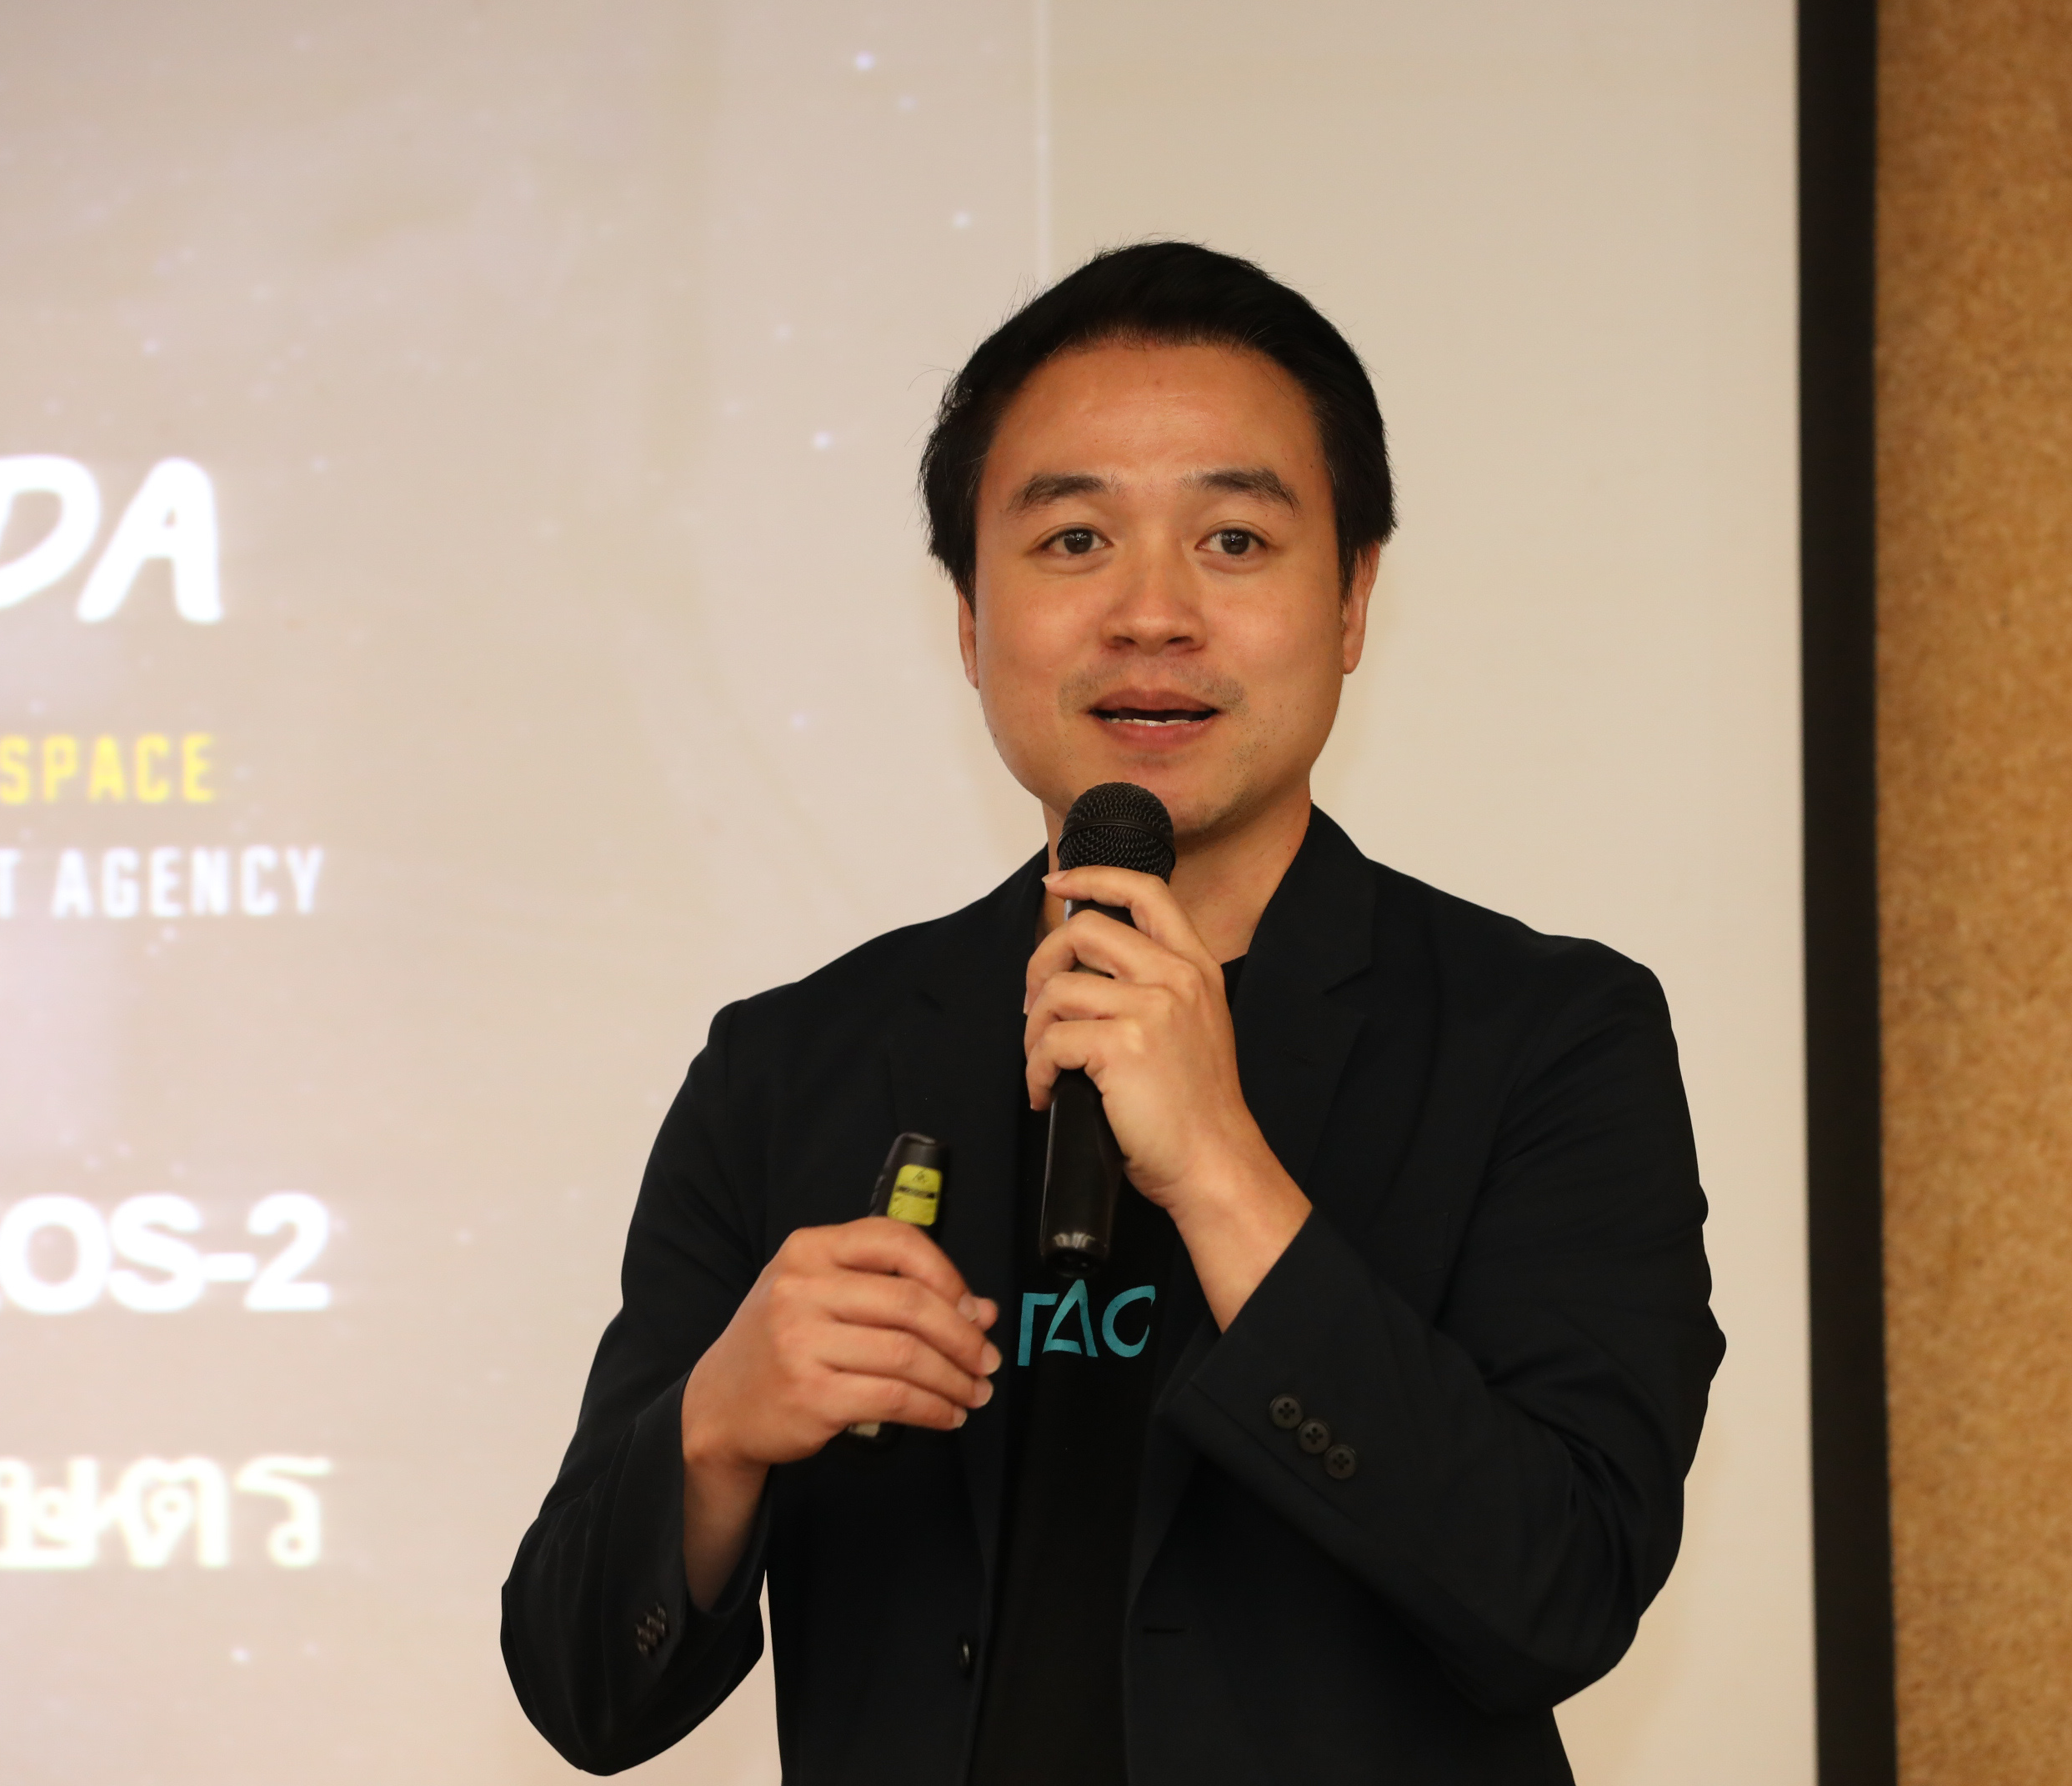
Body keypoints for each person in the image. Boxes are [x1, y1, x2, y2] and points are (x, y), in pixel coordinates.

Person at [502, 242, 1722, 1784]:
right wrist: (715, 1428)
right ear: (967, 618)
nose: (1152, 614)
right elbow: (582, 1691)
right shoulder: (795, 1064)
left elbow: (1561, 1591)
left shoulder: (1546, 1039)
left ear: (1353, 601)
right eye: (1074, 540)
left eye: (1234, 539)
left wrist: (1220, 1170)